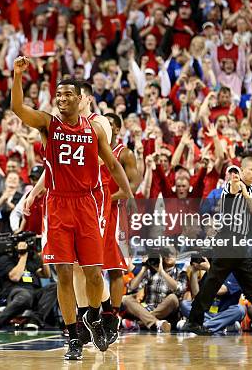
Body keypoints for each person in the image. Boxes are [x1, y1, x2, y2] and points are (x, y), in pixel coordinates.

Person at [11, 56, 134, 360]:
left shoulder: (94, 130)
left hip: (87, 204)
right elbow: (18, 109)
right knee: (64, 274)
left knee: (94, 274)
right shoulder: (48, 124)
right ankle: (73, 336)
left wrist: (128, 192)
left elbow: (113, 163)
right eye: (59, 95)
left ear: (81, 100)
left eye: (69, 95)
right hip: (58, 204)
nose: (63, 99)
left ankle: (93, 313)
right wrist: (17, 76)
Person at [182, 155, 252, 335]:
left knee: (248, 285)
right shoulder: (229, 185)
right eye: (250, 169)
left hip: (239, 242)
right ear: (242, 171)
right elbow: (233, 189)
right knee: (218, 282)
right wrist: (239, 186)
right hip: (227, 239)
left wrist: (247, 194)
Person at [102, 112, 141, 343]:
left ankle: (113, 316)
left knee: (115, 269)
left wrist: (107, 198)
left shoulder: (124, 153)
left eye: (108, 125)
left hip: (114, 212)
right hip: (93, 210)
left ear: (117, 129)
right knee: (90, 268)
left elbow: (132, 185)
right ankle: (93, 313)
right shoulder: (92, 150)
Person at [0, 240, 57, 329]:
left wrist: (44, 259)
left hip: (34, 292)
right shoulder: (5, 259)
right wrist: (23, 255)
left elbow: (46, 275)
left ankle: (35, 320)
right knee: (25, 295)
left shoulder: (30, 260)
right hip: (16, 291)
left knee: (54, 287)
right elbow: (15, 277)